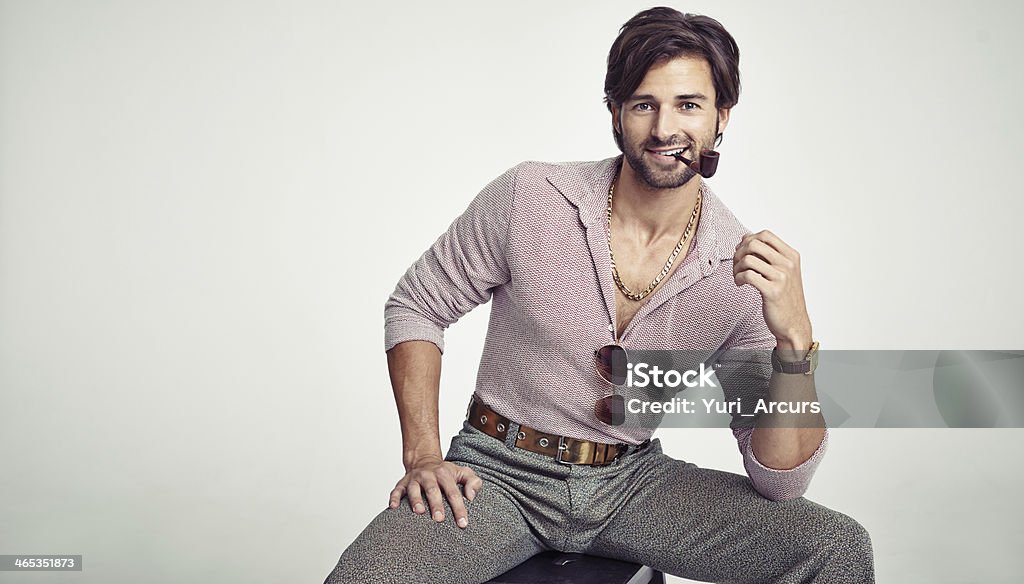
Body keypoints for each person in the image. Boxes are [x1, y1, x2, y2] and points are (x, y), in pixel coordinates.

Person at [324, 7, 874, 583]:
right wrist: (424, 456)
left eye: (688, 104)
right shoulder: (532, 196)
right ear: (616, 115)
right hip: (496, 472)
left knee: (834, 547)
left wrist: (795, 343)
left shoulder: (739, 271)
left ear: (721, 118)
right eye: (644, 104)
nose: (665, 129)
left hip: (630, 486)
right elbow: (417, 303)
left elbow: (778, 479)